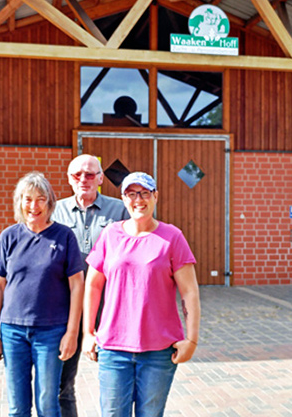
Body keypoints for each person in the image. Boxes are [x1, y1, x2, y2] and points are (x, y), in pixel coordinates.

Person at [82, 171, 201, 417]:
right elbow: (93, 285)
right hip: (113, 348)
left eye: (145, 193)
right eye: (131, 194)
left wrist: (192, 339)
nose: (139, 199)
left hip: (158, 351)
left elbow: (189, 291)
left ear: (155, 196)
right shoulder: (110, 234)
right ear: (124, 199)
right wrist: (87, 333)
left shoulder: (172, 237)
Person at [0, 171, 85, 417]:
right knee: (17, 407)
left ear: (50, 202)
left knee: (48, 404)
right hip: (13, 332)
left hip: (51, 332)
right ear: (19, 202)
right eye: (27, 199)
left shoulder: (64, 236)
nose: (34, 206)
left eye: (40, 199)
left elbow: (77, 285)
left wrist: (72, 333)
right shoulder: (9, 236)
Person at [52, 154, 129, 417]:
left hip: (110, 309)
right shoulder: (54, 211)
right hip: (64, 309)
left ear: (99, 179)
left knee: (117, 383)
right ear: (69, 179)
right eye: (77, 174)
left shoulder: (119, 210)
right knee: (61, 383)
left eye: (90, 174)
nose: (83, 179)